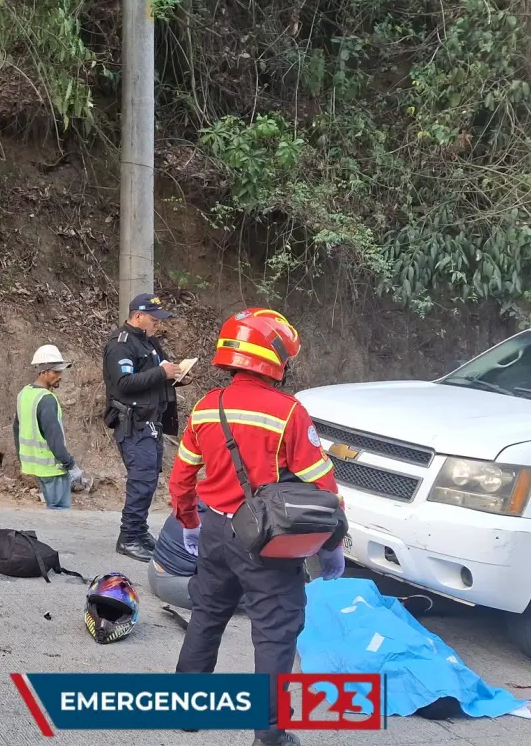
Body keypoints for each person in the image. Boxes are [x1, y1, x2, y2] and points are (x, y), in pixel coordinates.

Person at [169, 308, 344, 746]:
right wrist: (332, 543)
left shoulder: (207, 407)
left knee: (206, 616)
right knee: (275, 633)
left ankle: (188, 713)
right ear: (275, 358)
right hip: (268, 540)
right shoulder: (289, 413)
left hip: (214, 532)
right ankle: (270, 734)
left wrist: (190, 521)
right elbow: (323, 486)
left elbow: (182, 478)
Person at [102, 293, 188, 561]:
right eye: (154, 319)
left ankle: (138, 532)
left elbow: (156, 376)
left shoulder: (149, 343)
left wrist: (177, 376)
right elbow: (123, 383)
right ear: (137, 316)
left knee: (148, 481)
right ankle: (128, 537)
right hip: (134, 425)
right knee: (141, 482)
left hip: (151, 423)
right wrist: (162, 373)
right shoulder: (121, 344)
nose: (157, 325)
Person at [12, 344, 88, 510]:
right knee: (60, 513)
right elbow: (54, 439)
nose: (60, 376)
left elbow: (16, 429)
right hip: (53, 469)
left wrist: (22, 458)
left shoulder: (24, 394)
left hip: (37, 468)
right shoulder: (46, 399)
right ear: (43, 371)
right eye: (55, 372)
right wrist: (71, 466)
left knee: (51, 511)